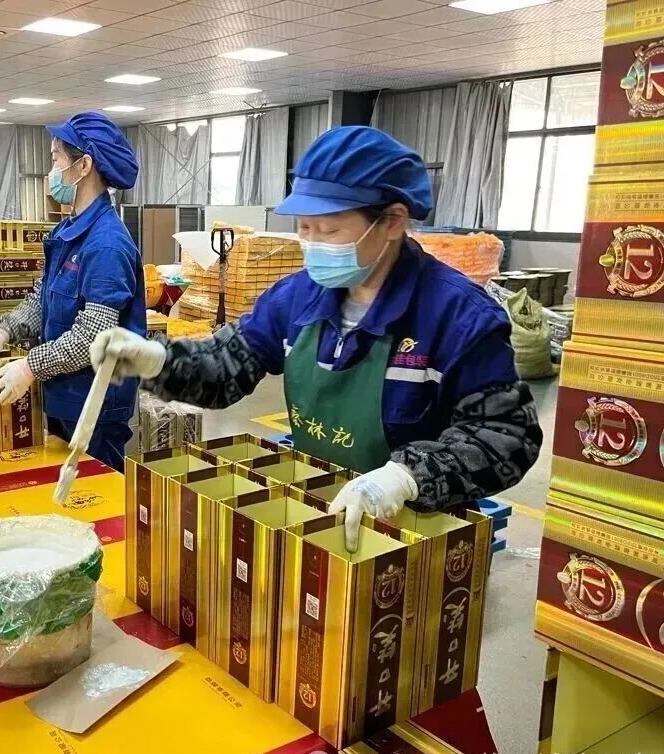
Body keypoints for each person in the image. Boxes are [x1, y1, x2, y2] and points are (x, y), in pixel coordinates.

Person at [91, 126, 542, 548]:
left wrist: (407, 477)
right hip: (320, 514)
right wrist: (159, 361)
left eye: (329, 229)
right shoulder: (297, 297)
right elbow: (228, 366)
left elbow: (507, 435)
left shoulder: (457, 315)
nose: (312, 243)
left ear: (392, 221)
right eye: (304, 228)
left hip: (418, 539)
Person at [0, 111, 145, 470]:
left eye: (56, 159)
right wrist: (3, 332)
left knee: (94, 494)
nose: (51, 171)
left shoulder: (107, 245)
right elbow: (43, 297)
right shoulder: (69, 232)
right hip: (64, 394)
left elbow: (92, 336)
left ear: (84, 166)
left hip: (95, 405)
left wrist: (28, 368)